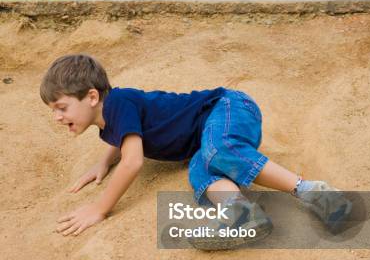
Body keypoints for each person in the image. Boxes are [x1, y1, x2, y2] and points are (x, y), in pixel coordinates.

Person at [40, 53, 353, 249]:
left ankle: (313, 191)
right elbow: (120, 140)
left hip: (226, 107)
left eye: (62, 107)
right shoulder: (110, 120)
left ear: (92, 96)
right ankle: (242, 214)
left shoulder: (120, 101)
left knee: (218, 152)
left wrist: (100, 209)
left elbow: (133, 160)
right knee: (200, 172)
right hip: (203, 141)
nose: (57, 116)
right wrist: (103, 162)